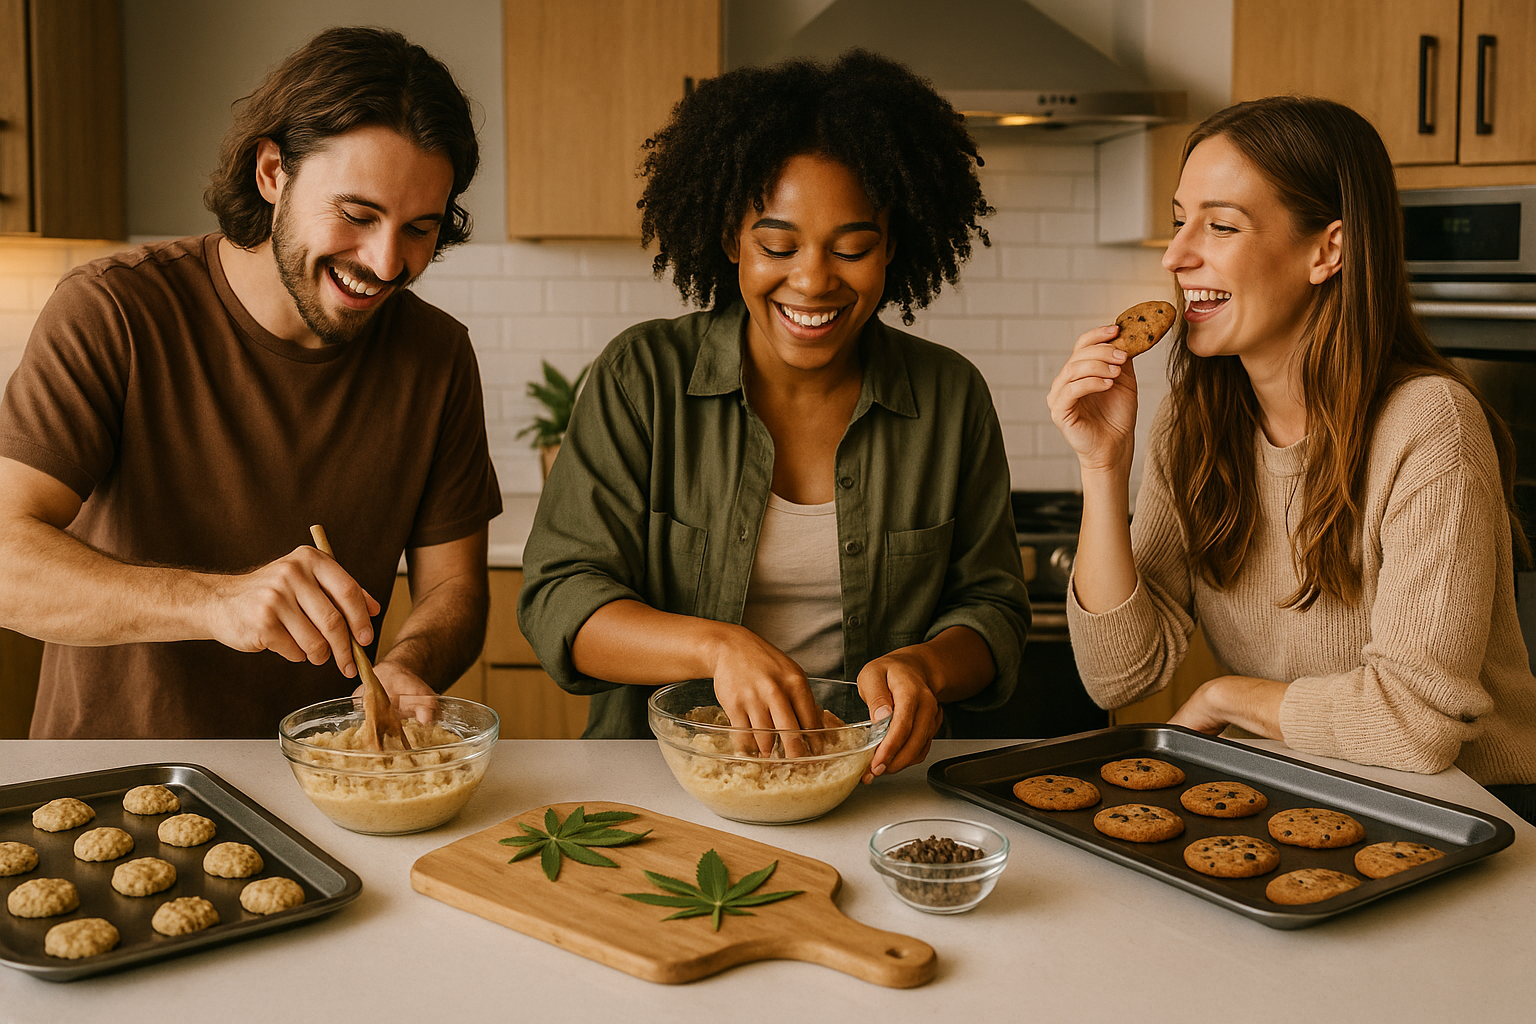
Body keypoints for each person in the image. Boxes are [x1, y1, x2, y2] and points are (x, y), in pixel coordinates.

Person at [517, 50, 1029, 780]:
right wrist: (715, 648)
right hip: (668, 786)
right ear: (732, 240)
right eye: (778, 245)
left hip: (870, 786)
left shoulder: (950, 398)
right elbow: (560, 599)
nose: (814, 279)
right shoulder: (641, 379)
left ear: (892, 248)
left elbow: (994, 611)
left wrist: (928, 667)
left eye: (853, 248)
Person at [0, 27, 502, 738]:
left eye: (419, 228)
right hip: (113, 777)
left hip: (324, 785)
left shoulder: (437, 355)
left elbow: (455, 590)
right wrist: (217, 604)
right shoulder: (113, 310)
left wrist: (408, 662)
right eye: (357, 215)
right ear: (272, 173)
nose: (388, 262)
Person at [1047, 95, 1536, 823]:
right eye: (1180, 220)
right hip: (1308, 793)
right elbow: (1119, 673)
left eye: (1220, 225)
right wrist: (1101, 465)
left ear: (1327, 250)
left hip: (1471, 812)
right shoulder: (1196, 419)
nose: (1177, 256)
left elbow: (1417, 722)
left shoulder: (1428, 424)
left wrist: (1224, 696)